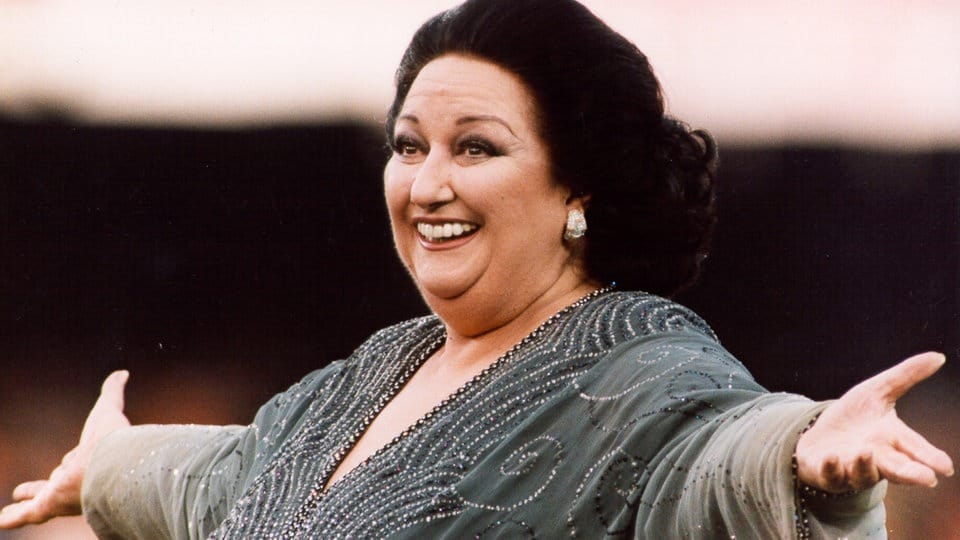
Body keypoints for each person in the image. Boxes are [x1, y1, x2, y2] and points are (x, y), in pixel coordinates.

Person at [0, 0, 953, 537]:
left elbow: (710, 463)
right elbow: (225, 480)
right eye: (409, 146)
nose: (428, 185)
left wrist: (812, 465)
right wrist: (109, 464)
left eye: (477, 148)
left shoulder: (643, 370)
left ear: (578, 186)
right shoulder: (369, 374)